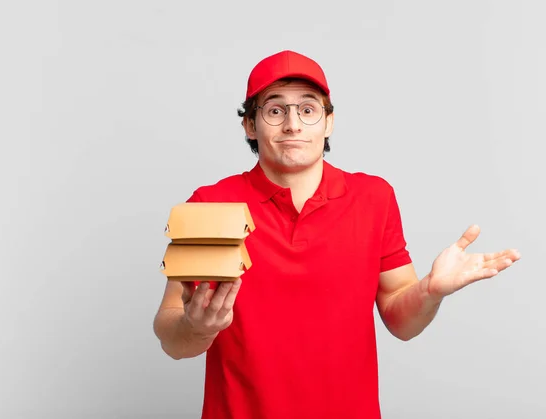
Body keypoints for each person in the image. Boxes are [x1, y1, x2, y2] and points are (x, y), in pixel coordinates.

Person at [152, 50, 521, 419]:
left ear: (328, 123)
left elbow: (402, 322)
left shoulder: (374, 198)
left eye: (308, 110)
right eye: (275, 110)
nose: (293, 125)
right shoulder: (209, 204)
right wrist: (195, 328)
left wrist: (429, 293)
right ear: (250, 125)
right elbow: (172, 337)